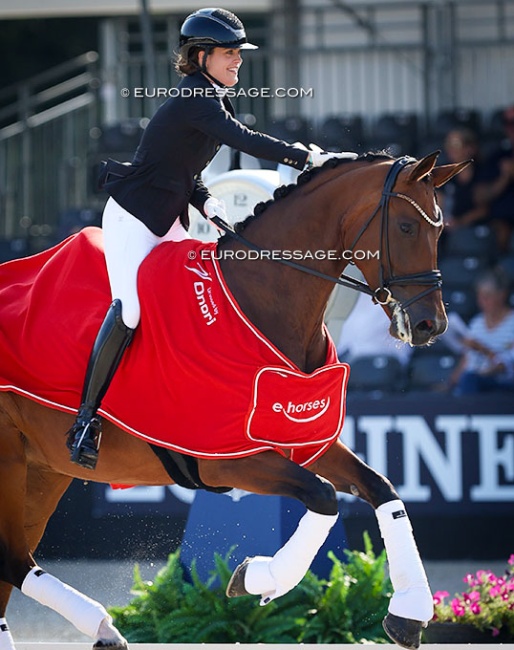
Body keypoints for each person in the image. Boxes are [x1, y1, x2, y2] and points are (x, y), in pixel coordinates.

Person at [67, 7, 355, 469]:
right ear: (199, 56)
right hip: (133, 217)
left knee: (188, 304)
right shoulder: (194, 100)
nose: (237, 61)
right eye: (228, 53)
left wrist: (205, 201)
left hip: (171, 215)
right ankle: (85, 421)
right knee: (132, 308)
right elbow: (247, 140)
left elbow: (185, 168)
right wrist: (308, 159)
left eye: (238, 52)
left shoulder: (214, 98)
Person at [450, 267, 514, 395]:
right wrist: (449, 385)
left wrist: (481, 349)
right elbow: (466, 360)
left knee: (470, 379)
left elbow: (506, 365)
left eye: (487, 297)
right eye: (479, 296)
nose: (481, 302)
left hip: (504, 383)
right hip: (476, 379)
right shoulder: (477, 323)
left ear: (501, 295)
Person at [474, 105, 514, 252]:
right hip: (501, 220)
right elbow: (480, 196)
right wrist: (504, 178)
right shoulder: (497, 156)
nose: (512, 128)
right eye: (508, 123)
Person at [439, 127, 488, 230]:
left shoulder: (482, 172)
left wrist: (460, 222)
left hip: (475, 227)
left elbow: (483, 209)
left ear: (469, 148)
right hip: (447, 227)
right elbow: (438, 204)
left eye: (456, 145)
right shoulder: (443, 172)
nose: (450, 149)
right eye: (448, 145)